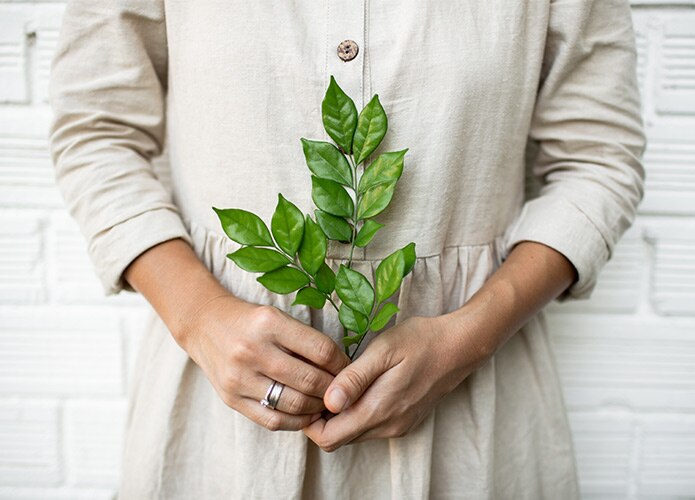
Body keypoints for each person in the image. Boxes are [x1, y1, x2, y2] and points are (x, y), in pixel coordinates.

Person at [47, 1, 646, 498]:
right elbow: (97, 129)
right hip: (221, 427)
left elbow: (597, 157)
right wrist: (200, 316)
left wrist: (474, 335)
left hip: (471, 419)